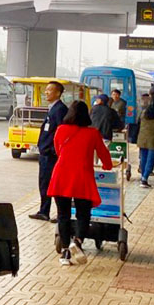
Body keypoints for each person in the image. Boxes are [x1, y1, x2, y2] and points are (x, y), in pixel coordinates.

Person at [48, 101, 114, 266]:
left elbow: (58, 150)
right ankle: (77, 242)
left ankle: (64, 253)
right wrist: (107, 165)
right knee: (83, 214)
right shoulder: (93, 133)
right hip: (82, 177)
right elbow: (104, 155)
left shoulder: (60, 130)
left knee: (63, 215)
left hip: (61, 176)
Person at [29, 81, 68, 222]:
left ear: (58, 93)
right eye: (45, 90)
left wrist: (53, 150)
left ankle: (58, 213)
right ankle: (43, 210)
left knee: (53, 183)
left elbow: (60, 132)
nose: (46, 92)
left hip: (51, 155)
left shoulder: (60, 110)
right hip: (46, 153)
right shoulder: (52, 108)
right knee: (44, 182)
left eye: (49, 90)